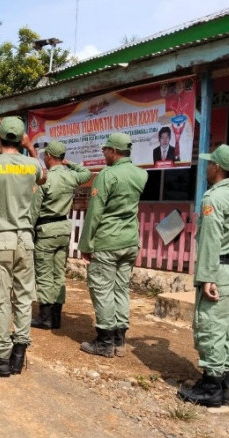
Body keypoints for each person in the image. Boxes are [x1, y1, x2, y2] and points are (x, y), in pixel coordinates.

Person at [0, 117, 47, 377]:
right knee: (24, 297)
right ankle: (19, 353)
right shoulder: (32, 165)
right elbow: (44, 177)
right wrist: (31, 148)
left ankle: (0, 358)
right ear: (21, 139)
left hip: (0, 237)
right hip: (25, 239)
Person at [178, 144, 229, 408]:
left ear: (217, 168)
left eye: (209, 163)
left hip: (218, 269)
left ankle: (210, 388)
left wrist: (206, 277)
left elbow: (210, 240)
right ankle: (225, 385)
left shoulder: (213, 199)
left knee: (210, 328)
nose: (206, 167)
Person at [78, 132, 147, 358]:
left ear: (114, 151)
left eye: (105, 150)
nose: (103, 153)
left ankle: (105, 342)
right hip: (129, 241)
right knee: (120, 289)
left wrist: (86, 244)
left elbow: (95, 213)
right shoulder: (141, 174)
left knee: (102, 289)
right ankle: (119, 341)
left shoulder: (107, 175)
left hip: (107, 241)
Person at [30, 141, 92, 329]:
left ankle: (45, 317)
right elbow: (87, 173)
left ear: (49, 156)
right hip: (64, 228)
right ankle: (56, 317)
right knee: (59, 274)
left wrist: (29, 233)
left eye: (44, 155)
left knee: (45, 274)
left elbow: (34, 211)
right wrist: (69, 163)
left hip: (46, 230)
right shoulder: (71, 176)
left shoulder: (44, 178)